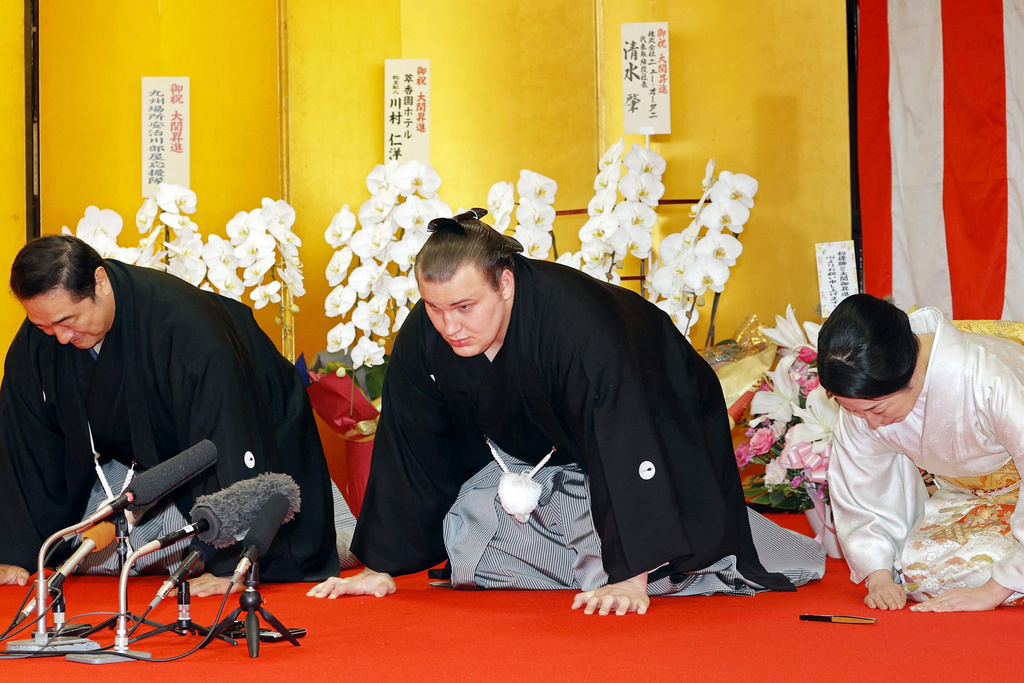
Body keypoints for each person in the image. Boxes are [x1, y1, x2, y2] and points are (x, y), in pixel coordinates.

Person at [308, 209, 824, 615]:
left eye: (464, 307)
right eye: (434, 308)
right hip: (554, 466)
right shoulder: (431, 331)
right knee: (473, 539)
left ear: (505, 283)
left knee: (671, 566)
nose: (448, 326)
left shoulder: (579, 327)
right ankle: (600, 555)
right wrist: (383, 564)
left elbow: (626, 436)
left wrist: (629, 575)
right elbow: (410, 444)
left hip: (656, 418)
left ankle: (671, 555)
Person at [0, 235, 342, 592]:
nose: (60, 338)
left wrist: (231, 566)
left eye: (67, 321)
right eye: (44, 327)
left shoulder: (185, 323)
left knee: (263, 518)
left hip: (254, 416)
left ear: (99, 282)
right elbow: (23, 443)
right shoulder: (41, 337)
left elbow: (226, 431)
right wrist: (14, 550)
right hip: (156, 456)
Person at [817, 293, 1024, 612]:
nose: (871, 424)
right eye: (857, 412)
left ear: (912, 375)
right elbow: (864, 484)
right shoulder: (866, 397)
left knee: (985, 576)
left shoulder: (987, 377)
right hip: (969, 497)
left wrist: (991, 592)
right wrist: (880, 576)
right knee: (922, 574)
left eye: (877, 409)